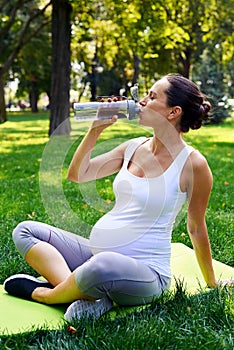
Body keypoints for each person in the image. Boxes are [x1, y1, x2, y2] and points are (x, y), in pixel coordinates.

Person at [3, 74, 229, 322]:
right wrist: (94, 131)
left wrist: (212, 282)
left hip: (146, 273)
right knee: (25, 231)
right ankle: (86, 295)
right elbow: (78, 174)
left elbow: (196, 228)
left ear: (173, 112)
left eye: (152, 97)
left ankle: (46, 294)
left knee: (102, 266)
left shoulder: (193, 164)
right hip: (96, 254)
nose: (141, 101)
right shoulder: (133, 147)